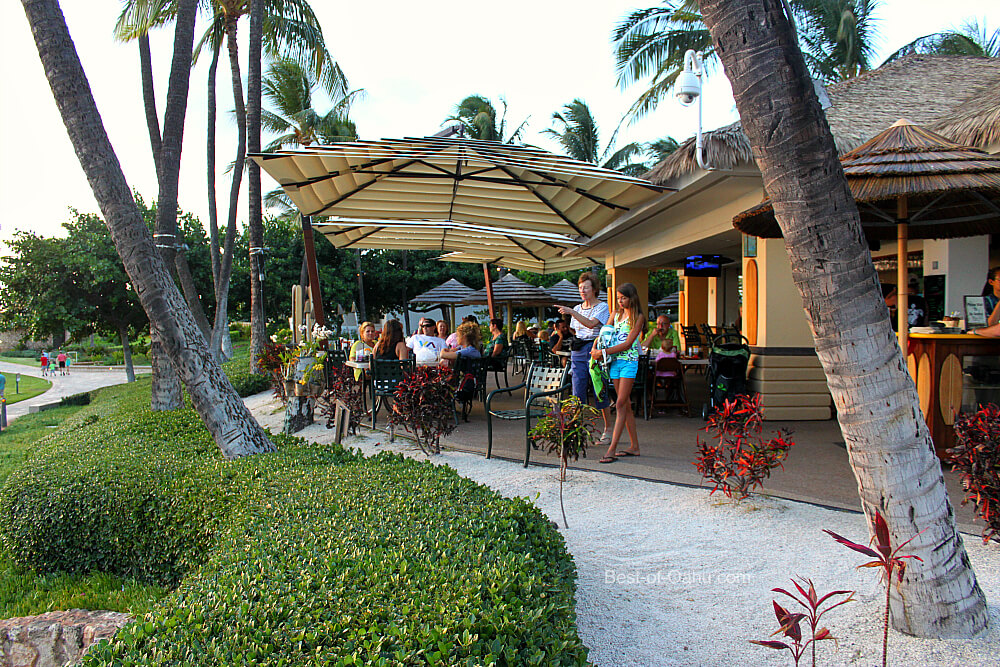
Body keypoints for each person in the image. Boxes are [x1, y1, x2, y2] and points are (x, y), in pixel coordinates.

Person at [591, 282, 646, 463]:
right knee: (626, 405)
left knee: (621, 403)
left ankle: (612, 449)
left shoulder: (638, 317)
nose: (620, 301)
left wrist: (603, 352)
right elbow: (604, 333)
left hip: (629, 361)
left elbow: (629, 344)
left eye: (623, 298)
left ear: (632, 298)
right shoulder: (615, 315)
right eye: (618, 298)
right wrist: (596, 346)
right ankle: (635, 446)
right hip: (614, 362)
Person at [557, 271, 613, 445]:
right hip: (579, 349)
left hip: (594, 349)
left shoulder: (602, 307)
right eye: (580, 288)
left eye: (586, 287)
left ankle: (608, 429)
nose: (582, 291)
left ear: (594, 289)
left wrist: (571, 312)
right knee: (577, 389)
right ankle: (575, 428)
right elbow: (575, 330)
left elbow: (590, 324)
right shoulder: (578, 308)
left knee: (599, 389)